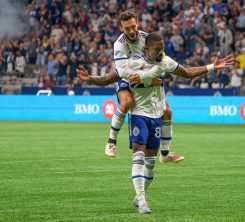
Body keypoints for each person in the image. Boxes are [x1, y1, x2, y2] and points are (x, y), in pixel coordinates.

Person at [77, 32, 234, 214]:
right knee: (139, 154)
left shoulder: (165, 61)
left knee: (151, 161)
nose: (161, 52)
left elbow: (188, 73)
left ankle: (140, 195)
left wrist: (212, 67)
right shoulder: (132, 62)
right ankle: (143, 201)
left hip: (156, 115)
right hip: (138, 114)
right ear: (147, 48)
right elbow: (107, 80)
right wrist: (90, 79)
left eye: (162, 48)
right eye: (157, 49)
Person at [77, 10, 184, 163]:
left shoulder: (147, 38)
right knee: (127, 103)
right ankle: (111, 142)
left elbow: (160, 58)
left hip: (146, 77)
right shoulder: (119, 45)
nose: (132, 31)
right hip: (128, 78)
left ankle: (165, 155)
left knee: (167, 112)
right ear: (121, 28)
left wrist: (153, 74)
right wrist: (146, 79)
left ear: (138, 23)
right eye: (127, 28)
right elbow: (123, 72)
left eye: (133, 26)